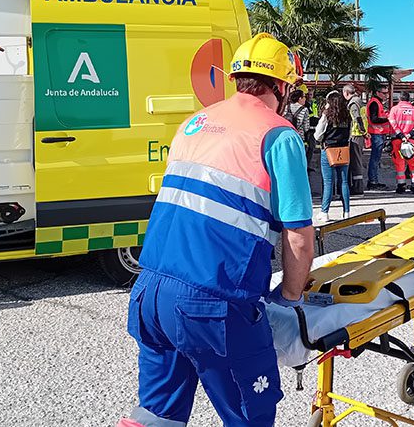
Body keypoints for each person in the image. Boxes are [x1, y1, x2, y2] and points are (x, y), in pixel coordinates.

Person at [121, 33, 315, 427]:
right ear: (281, 85)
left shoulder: (195, 122)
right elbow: (298, 235)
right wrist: (290, 298)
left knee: (156, 415)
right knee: (249, 416)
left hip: (151, 290)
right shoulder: (278, 135)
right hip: (213, 303)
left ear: (237, 78)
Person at [315, 90, 352, 222]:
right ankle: (346, 211)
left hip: (329, 149)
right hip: (343, 149)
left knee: (328, 182)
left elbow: (318, 134)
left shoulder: (327, 115)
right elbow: (350, 133)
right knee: (344, 181)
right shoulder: (347, 116)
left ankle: (325, 212)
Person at [388, 91, 414, 194]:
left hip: (397, 141)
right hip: (411, 141)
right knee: (413, 163)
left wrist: (401, 135)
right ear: (409, 99)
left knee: (399, 163)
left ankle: (401, 185)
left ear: (399, 99)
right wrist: (409, 135)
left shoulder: (394, 109)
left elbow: (392, 124)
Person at [342, 84, 367, 195]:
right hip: (360, 134)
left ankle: (357, 187)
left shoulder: (353, 103)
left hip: (355, 134)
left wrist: (362, 131)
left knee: (355, 161)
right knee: (356, 160)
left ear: (346, 93)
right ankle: (357, 186)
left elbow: (357, 118)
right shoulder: (360, 101)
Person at [365, 85, 391, 190]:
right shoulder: (374, 103)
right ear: (378, 92)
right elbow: (374, 119)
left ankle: (374, 180)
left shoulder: (377, 102)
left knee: (376, 159)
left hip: (378, 133)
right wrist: (387, 118)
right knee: (375, 159)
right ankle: (373, 181)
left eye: (387, 93)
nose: (386, 95)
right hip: (376, 133)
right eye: (384, 93)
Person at [285, 88, 312, 166]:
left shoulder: (286, 107)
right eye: (304, 97)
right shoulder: (304, 110)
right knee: (298, 159)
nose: (305, 99)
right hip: (299, 137)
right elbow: (306, 127)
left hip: (287, 135)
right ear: (300, 98)